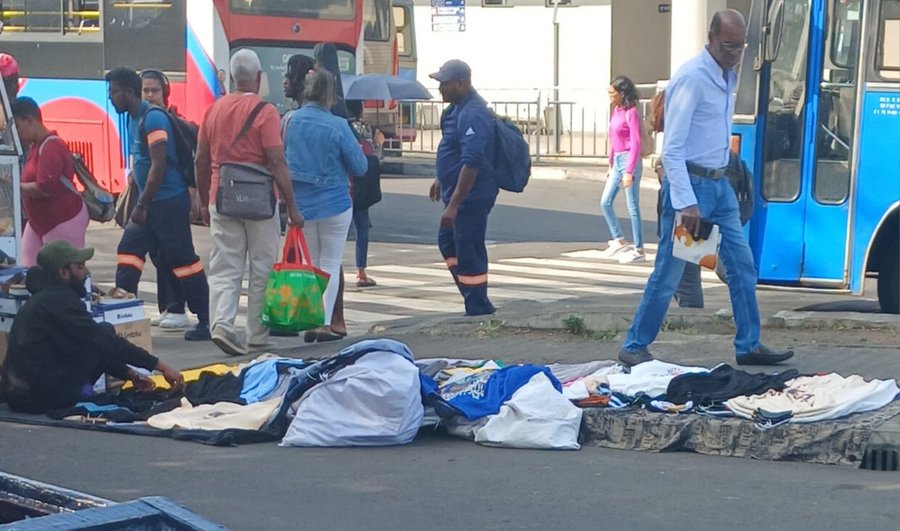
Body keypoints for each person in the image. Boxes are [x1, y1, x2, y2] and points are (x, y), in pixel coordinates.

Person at [618, 9, 794, 367]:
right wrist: (686, 203)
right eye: (729, 46)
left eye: (740, 47)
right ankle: (635, 345)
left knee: (742, 266)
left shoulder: (727, 74)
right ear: (711, 39)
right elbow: (673, 149)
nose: (735, 54)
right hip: (693, 190)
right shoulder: (693, 79)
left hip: (719, 185)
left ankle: (749, 344)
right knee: (669, 273)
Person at [195, 49, 303, 356]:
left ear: (232, 78)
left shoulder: (213, 110)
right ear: (258, 78)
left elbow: (201, 159)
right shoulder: (265, 112)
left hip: (222, 197)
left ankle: (221, 324)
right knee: (262, 268)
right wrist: (292, 207)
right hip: (260, 202)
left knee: (225, 265)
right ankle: (256, 334)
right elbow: (277, 160)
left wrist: (204, 200)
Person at [0, 241, 184, 414]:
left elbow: (84, 344)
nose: (86, 272)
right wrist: (160, 366)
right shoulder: (58, 300)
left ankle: (82, 391)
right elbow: (102, 341)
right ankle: (78, 395)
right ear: (63, 272)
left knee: (98, 335)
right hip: (40, 398)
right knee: (104, 331)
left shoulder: (45, 298)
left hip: (22, 395)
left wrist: (128, 373)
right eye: (79, 267)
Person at [105, 67, 211, 342]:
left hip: (166, 203)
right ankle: (122, 319)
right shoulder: (132, 118)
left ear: (128, 92)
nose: (110, 97)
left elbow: (159, 165)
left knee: (183, 260)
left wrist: (142, 204)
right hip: (150, 204)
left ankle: (205, 320)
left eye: (114, 92)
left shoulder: (152, 119)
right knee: (128, 253)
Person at [284, 67, 367, 342]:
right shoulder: (339, 126)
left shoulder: (289, 121)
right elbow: (360, 166)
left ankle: (309, 321)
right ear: (330, 94)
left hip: (301, 205)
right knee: (330, 262)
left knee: (311, 264)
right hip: (335, 203)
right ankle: (323, 323)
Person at [428, 59, 498, 316]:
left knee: (468, 248)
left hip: (471, 197)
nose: (440, 89)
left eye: (445, 84)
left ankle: (477, 307)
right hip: (457, 193)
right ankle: (475, 299)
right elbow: (455, 152)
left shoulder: (472, 113)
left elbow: (472, 161)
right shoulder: (456, 110)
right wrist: (441, 179)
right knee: (449, 242)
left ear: (461, 83)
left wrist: (455, 204)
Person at [138, 69, 200, 329]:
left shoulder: (168, 122)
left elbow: (182, 162)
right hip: (152, 200)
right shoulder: (142, 119)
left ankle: (184, 309)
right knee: (159, 254)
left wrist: (194, 195)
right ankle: (169, 306)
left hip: (170, 199)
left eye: (155, 90)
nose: (150, 95)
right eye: (146, 90)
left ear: (165, 93)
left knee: (178, 255)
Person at [12, 97, 89, 267]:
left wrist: (15, 186)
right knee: (28, 268)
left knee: (64, 271)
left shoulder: (52, 146)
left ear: (30, 121)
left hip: (63, 219)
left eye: (17, 126)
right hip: (39, 221)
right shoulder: (35, 146)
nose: (16, 133)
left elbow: (44, 188)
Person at [649, 89, 704, 309]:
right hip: (694, 205)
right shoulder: (697, 133)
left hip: (684, 208)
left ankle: (691, 321)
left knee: (683, 276)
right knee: (689, 272)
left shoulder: (680, 140)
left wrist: (662, 170)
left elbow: (675, 174)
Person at [600, 75, 645, 264]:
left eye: (613, 92)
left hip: (628, 159)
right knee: (605, 202)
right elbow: (613, 137)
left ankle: (639, 249)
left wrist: (629, 171)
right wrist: (610, 163)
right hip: (618, 159)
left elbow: (635, 141)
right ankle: (619, 240)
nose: (610, 95)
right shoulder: (616, 110)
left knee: (632, 206)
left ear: (622, 93)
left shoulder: (631, 112)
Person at [346, 99, 384, 288]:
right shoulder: (367, 129)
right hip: (362, 188)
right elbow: (376, 159)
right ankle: (361, 272)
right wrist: (379, 143)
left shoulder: (341, 126)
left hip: (345, 185)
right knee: (361, 228)